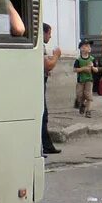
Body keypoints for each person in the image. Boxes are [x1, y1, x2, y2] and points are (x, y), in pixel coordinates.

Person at [42, 22, 62, 155]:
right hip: (37, 83)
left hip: (41, 80)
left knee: (44, 114)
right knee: (42, 115)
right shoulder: (40, 46)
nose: (50, 37)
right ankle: (46, 145)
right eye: (49, 33)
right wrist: (56, 55)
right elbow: (48, 65)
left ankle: (46, 145)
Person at [73, 39, 99, 117]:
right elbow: (74, 69)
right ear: (80, 49)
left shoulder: (92, 59)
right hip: (80, 80)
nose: (86, 48)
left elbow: (96, 70)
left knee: (88, 95)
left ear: (90, 49)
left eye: (88, 46)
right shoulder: (78, 60)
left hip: (89, 80)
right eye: (84, 46)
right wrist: (83, 68)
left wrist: (92, 67)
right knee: (79, 95)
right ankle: (81, 104)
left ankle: (88, 111)